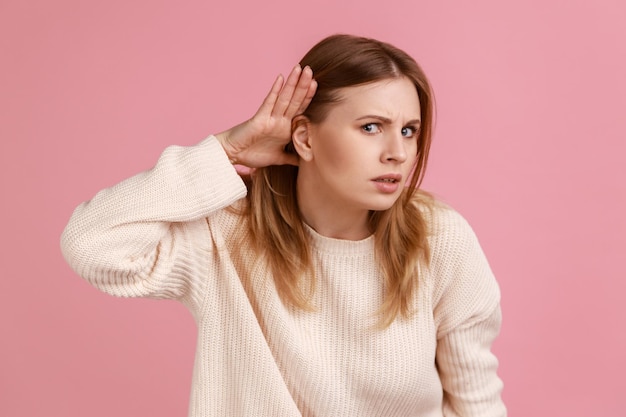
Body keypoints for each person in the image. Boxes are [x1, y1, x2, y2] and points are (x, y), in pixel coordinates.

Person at [61, 34, 506, 416]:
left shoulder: (437, 238)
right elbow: (91, 245)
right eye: (372, 127)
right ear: (304, 137)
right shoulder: (229, 234)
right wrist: (223, 152)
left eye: (409, 130)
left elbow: (476, 401)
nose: (398, 152)